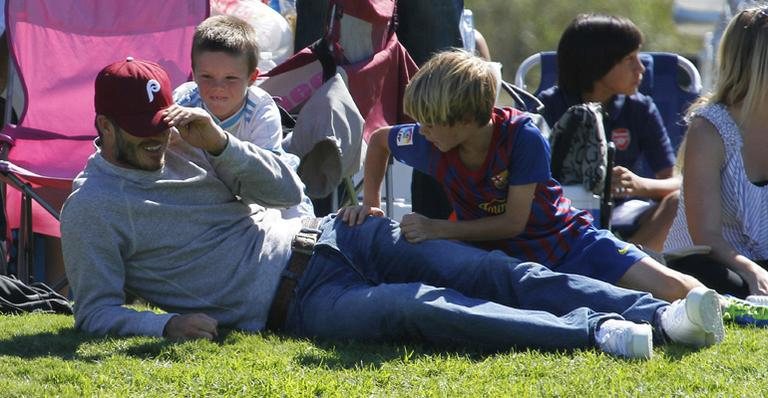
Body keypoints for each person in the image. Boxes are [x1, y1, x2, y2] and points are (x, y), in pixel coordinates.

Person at [58, 57, 725, 360]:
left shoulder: (192, 139)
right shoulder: (93, 209)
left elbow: (289, 194)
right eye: (145, 137)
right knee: (419, 306)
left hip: (328, 238)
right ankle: (599, 332)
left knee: (485, 269)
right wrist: (164, 328)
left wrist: (222, 144)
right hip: (291, 305)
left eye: (163, 126)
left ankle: (660, 311)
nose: (160, 142)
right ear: (105, 128)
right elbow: (94, 311)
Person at [341, 49, 705, 303]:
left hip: (567, 243)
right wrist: (370, 205)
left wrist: (438, 228)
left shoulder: (522, 137)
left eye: (432, 123)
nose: (423, 131)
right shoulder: (430, 138)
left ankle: (737, 307)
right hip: (495, 258)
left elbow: (514, 222)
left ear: (468, 121)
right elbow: (379, 140)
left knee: (672, 288)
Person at [537, 14, 680, 253]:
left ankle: (627, 263)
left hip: (623, 214)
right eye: (630, 59)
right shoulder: (548, 107)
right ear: (598, 63)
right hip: (561, 212)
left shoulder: (640, 108)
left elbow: (675, 181)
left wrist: (639, 185)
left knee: (677, 202)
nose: (641, 68)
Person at [664, 6, 768, 303]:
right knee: (710, 281)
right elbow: (705, 237)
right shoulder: (709, 129)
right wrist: (752, 271)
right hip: (717, 262)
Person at [173, 14, 313, 218]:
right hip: (210, 196)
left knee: (293, 225)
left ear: (252, 78)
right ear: (193, 73)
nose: (218, 87)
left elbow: (269, 180)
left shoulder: (260, 109)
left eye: (230, 78)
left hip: (270, 195)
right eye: (206, 77)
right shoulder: (183, 101)